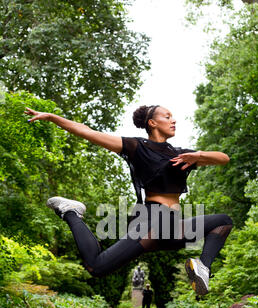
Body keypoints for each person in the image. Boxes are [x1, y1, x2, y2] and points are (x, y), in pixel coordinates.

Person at [24, 104, 233, 296]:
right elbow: (87, 131)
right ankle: (71, 211)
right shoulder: (136, 147)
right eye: (167, 116)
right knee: (96, 267)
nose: (173, 120)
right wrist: (52, 117)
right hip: (152, 222)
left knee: (223, 221)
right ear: (152, 123)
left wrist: (197, 155)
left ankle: (203, 268)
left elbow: (223, 158)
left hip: (172, 227)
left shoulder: (180, 155)